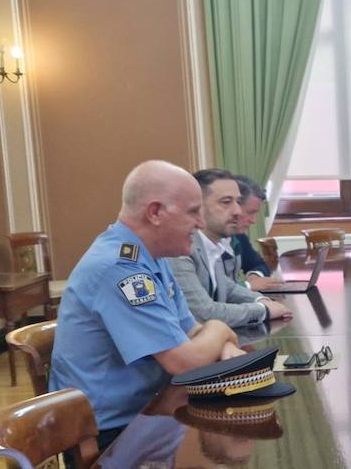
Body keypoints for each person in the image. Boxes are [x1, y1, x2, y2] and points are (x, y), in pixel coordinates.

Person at [49, 160, 246, 449]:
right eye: (193, 212)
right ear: (155, 212)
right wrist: (220, 328)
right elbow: (184, 361)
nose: (201, 224)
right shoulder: (119, 268)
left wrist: (219, 341)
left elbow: (191, 330)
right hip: (109, 432)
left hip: (149, 411)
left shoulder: (150, 256)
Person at [168, 169, 292, 329]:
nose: (237, 211)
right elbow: (204, 314)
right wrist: (263, 310)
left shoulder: (213, 244)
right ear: (196, 206)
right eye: (226, 202)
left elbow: (227, 287)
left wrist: (260, 300)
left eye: (238, 202)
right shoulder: (180, 249)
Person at [230, 175, 281, 293]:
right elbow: (217, 293)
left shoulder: (238, 236)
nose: (253, 221)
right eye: (250, 212)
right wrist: (248, 285)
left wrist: (255, 276)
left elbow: (259, 264)